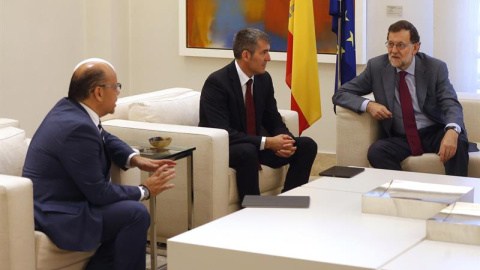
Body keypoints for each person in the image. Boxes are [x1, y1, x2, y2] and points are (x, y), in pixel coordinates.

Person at [22, 58, 177, 270]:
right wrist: (145, 190)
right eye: (116, 87)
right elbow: (99, 193)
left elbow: (103, 136)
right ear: (99, 92)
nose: (119, 93)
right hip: (57, 214)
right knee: (135, 214)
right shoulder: (77, 128)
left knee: (128, 214)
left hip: (59, 203)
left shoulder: (70, 109)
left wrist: (135, 159)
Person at [332, 20, 471, 176]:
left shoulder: (435, 68)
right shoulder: (377, 67)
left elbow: (450, 103)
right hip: (402, 137)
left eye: (401, 45)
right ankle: (403, 190)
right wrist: (369, 105)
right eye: (390, 44)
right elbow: (340, 94)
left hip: (434, 132)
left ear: (415, 48)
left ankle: (457, 196)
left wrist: (452, 131)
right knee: (377, 151)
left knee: (457, 142)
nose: (393, 51)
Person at [199, 28, 317, 202]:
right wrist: (268, 142)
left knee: (306, 145)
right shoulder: (217, 83)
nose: (269, 58)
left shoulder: (263, 79)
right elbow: (223, 132)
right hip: (229, 147)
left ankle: (289, 201)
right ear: (246, 55)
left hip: (256, 146)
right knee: (247, 151)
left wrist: (286, 141)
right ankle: (252, 209)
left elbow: (272, 118)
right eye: (264, 53)